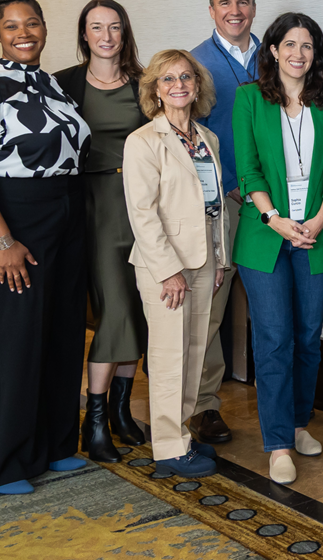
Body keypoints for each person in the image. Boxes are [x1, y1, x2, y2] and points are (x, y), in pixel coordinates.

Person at [0, 0, 92, 494]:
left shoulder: (53, 85)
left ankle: (55, 445)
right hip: (8, 217)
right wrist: (3, 241)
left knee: (60, 330)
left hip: (64, 216)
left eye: (31, 22)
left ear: (45, 27)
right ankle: (4, 461)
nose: (24, 32)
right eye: (12, 25)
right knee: (12, 341)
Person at [232, 12, 323, 484]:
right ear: (274, 50)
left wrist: (319, 218)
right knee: (274, 336)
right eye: (290, 44)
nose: (298, 54)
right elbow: (249, 168)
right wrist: (274, 219)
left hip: (320, 229)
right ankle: (278, 442)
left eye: (307, 45)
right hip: (265, 232)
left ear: (314, 53)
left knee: (307, 333)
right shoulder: (249, 99)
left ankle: (300, 422)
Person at [124, 49, 230, 479]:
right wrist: (168, 270)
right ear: (155, 90)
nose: (179, 85)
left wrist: (220, 258)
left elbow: (216, 205)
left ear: (198, 85)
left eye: (186, 76)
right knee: (169, 355)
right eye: (167, 79)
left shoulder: (207, 138)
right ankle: (168, 449)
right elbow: (142, 212)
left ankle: (180, 436)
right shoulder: (143, 142)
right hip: (163, 264)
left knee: (194, 353)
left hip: (205, 258)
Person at [56, 0, 148, 461]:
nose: (106, 36)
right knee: (115, 309)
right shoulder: (63, 84)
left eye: (114, 27)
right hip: (92, 208)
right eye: (97, 28)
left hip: (142, 207)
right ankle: (92, 422)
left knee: (139, 307)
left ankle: (121, 411)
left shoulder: (146, 83)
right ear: (84, 34)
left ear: (124, 32)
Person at [185, 0, 259, 445]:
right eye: (224, 2)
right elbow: (188, 141)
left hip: (276, 206)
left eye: (244, 1)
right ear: (211, 10)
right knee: (211, 308)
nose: (235, 10)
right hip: (227, 203)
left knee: (273, 305)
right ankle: (203, 406)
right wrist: (229, 187)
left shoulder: (274, 55)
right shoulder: (196, 64)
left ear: (254, 6)